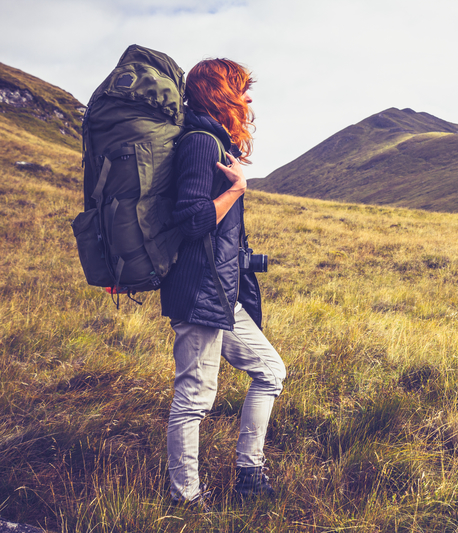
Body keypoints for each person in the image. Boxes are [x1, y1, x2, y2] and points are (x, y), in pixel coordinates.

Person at [160, 58, 286, 509]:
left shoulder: (214, 140)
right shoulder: (199, 143)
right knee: (194, 398)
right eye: (241, 88)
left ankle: (249, 475)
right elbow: (193, 221)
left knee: (270, 372)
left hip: (220, 293)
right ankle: (187, 500)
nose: (249, 98)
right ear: (219, 91)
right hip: (198, 292)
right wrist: (236, 190)